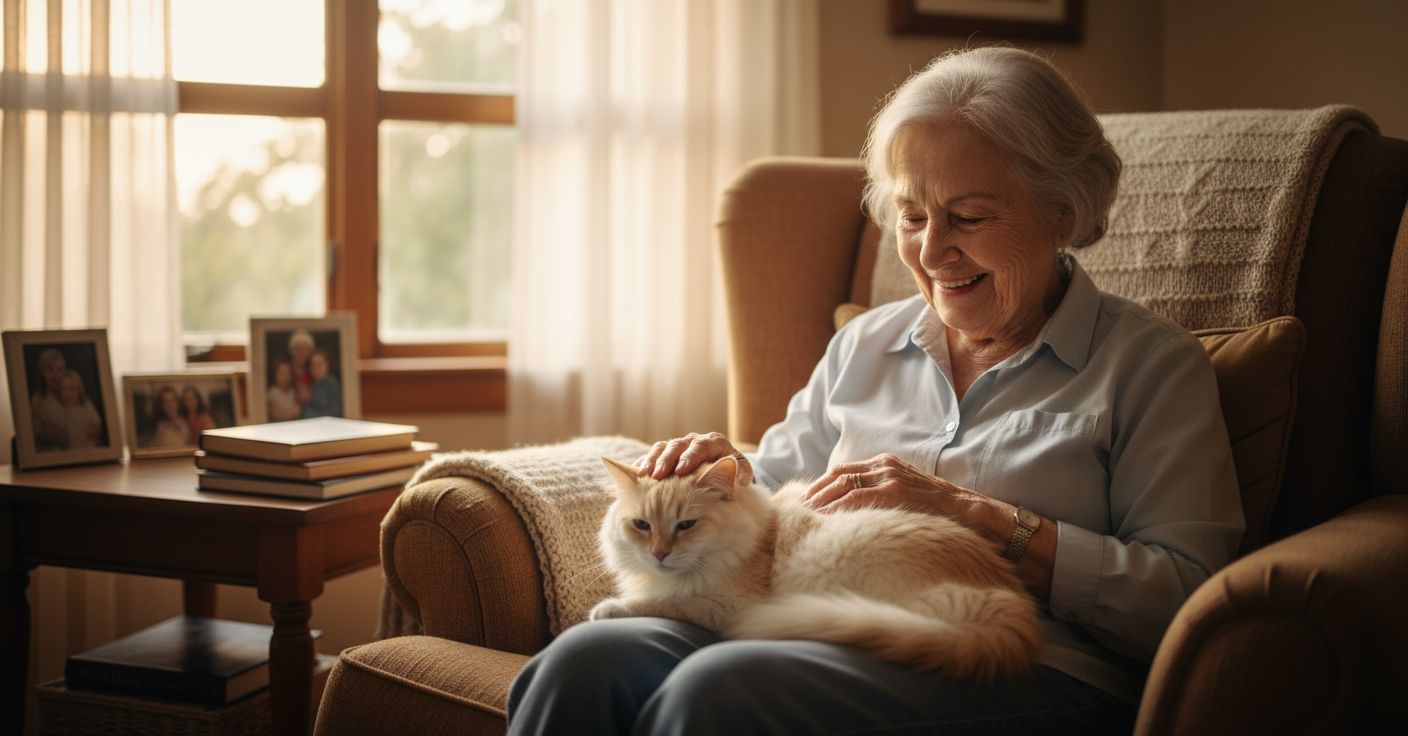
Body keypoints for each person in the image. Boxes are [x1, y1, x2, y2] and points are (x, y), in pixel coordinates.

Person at [507, 47, 1244, 735]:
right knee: (581, 664)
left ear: (1062, 208)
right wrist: (717, 476)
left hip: (1021, 664)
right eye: (912, 216)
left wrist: (985, 520)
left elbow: (1191, 599)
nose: (930, 250)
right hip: (797, 615)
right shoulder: (867, 343)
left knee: (724, 688)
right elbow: (773, 480)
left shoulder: (1151, 367)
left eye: (969, 216)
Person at [29, 348, 72, 451]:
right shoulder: (38, 400)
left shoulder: (69, 395)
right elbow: (36, 433)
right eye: (50, 370)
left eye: (59, 370)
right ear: (42, 372)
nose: (55, 374)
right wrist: (54, 435)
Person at [54, 370, 103, 449]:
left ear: (79, 391)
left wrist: (91, 432)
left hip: (88, 447)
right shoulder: (59, 408)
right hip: (69, 449)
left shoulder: (86, 405)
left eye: (72, 389)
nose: (68, 393)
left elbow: (97, 424)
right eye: (64, 389)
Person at [299, 349, 343, 418]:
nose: (317, 368)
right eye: (313, 365)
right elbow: (305, 410)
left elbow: (335, 412)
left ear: (328, 365)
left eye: (320, 364)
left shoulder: (332, 384)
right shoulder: (309, 384)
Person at [287, 329, 316, 408]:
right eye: (297, 348)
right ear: (291, 350)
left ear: (310, 351)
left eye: (305, 349)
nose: (301, 352)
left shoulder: (315, 372)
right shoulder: (285, 371)